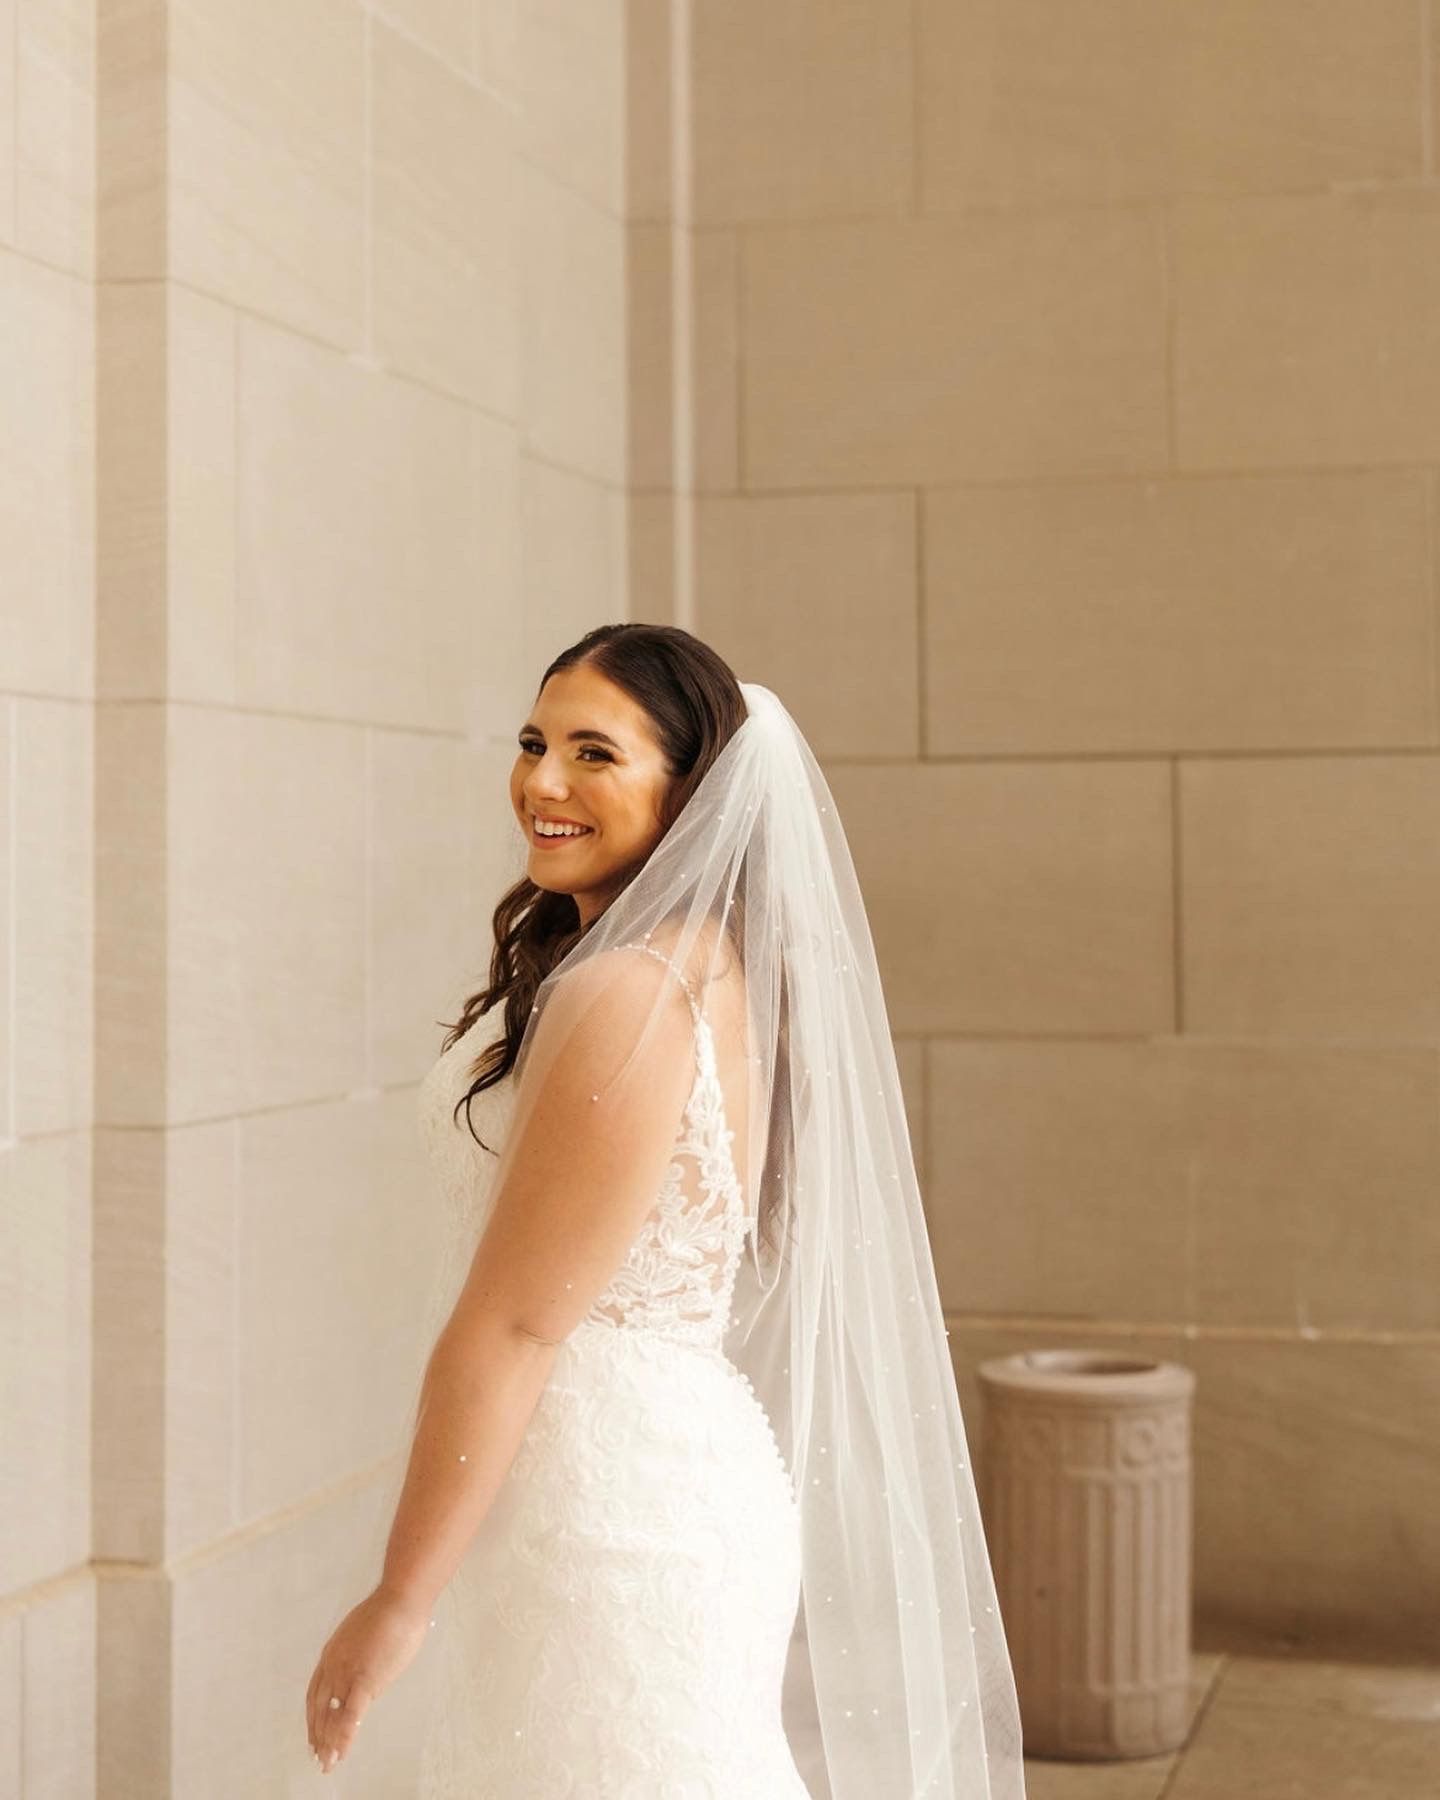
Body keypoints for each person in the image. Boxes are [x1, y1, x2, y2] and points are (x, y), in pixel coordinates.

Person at [304, 623, 1027, 1797]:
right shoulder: (703, 966)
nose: (543, 782)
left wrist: (399, 1598)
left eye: (596, 753)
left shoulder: (628, 994)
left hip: (604, 1520)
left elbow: (517, 1324)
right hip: (627, 1471)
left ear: (688, 792)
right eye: (535, 741)